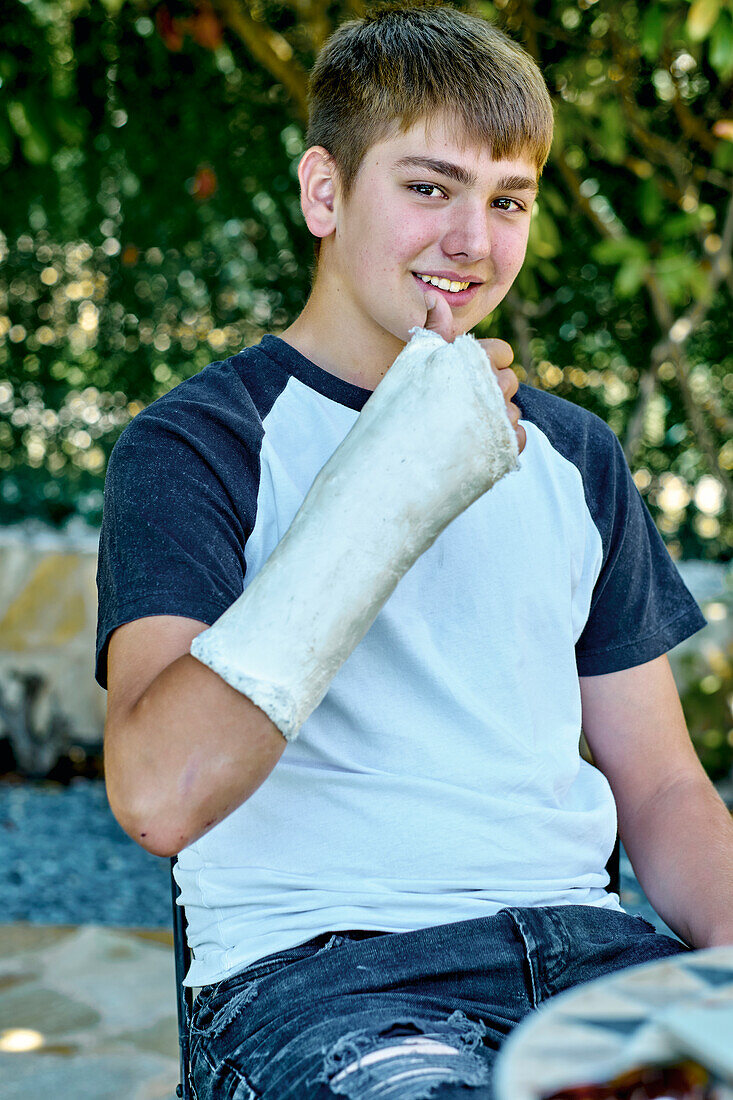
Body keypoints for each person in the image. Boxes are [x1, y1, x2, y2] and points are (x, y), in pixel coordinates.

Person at [95, 3, 733, 1097]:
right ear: (325, 192)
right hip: (329, 979)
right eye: (429, 187)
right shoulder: (198, 444)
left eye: (507, 200)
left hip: (587, 957)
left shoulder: (572, 455)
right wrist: (385, 485)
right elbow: (162, 792)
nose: (473, 242)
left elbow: (666, 786)